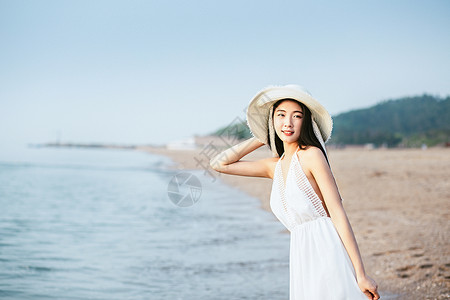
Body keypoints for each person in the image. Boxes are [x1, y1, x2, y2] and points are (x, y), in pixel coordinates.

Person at [210, 84, 380, 300]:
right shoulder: (274, 166)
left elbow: (337, 213)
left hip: (326, 248)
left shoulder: (312, 155)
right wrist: (263, 135)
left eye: (296, 116)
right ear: (272, 120)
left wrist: (361, 273)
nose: (288, 123)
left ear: (305, 121)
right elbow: (219, 163)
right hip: (301, 255)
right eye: (281, 115)